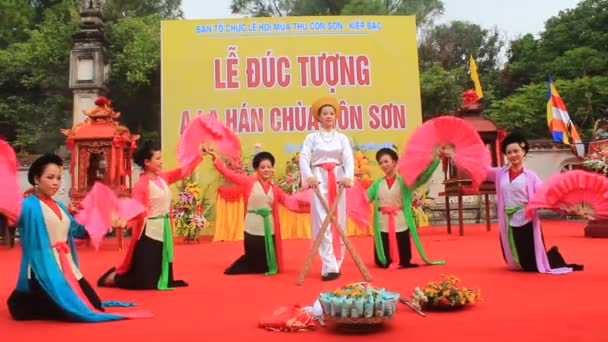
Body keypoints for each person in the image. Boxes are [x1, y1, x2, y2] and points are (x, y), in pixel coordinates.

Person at [6, 154, 148, 321]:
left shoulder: (60, 206)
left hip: (66, 264)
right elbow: (11, 214)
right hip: (42, 267)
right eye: (50, 177)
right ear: (37, 178)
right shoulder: (27, 205)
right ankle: (24, 301)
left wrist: (106, 221)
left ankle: (32, 301)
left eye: (58, 178)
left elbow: (78, 231)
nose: (55, 182)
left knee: (94, 305)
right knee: (70, 310)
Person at [98, 141, 203, 290]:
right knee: (144, 282)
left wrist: (199, 156)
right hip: (148, 233)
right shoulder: (141, 185)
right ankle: (113, 278)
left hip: (164, 229)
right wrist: (122, 218)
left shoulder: (162, 178)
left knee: (156, 277)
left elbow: (182, 172)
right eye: (158, 159)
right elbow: (136, 208)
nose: (161, 162)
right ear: (147, 162)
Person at [488, 133, 583, 273]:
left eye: (516, 151)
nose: (513, 155)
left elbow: (547, 195)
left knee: (532, 266)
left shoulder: (531, 176)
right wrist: (454, 156)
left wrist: (569, 207)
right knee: (516, 259)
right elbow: (477, 169)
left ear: (523, 152)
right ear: (505, 155)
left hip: (526, 218)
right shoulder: (500, 173)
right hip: (508, 219)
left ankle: (552, 256)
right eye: (509, 152)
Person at [205, 149, 299, 275]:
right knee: (254, 264)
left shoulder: (275, 189)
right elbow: (228, 174)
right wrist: (216, 160)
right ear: (257, 169)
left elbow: (290, 201)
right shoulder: (248, 182)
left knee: (266, 266)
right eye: (262, 167)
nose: (266, 170)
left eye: (269, 167)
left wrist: (309, 197)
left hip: (269, 227)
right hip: (253, 225)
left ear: (272, 169)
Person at [299, 96, 354, 281]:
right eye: (325, 114)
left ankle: (337, 263)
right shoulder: (311, 137)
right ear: (319, 117)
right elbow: (304, 158)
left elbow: (348, 158)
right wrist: (309, 177)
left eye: (332, 113)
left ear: (336, 116)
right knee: (322, 221)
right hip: (319, 180)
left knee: (338, 220)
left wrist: (347, 176)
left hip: (338, 179)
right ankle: (328, 266)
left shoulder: (342, 138)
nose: (329, 116)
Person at [367, 147, 446, 269]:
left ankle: (402, 258)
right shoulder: (377, 184)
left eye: (386, 161)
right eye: (381, 163)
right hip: (383, 221)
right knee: (382, 262)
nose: (383, 165)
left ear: (394, 162)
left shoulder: (405, 181)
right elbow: (365, 198)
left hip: (400, 219)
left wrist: (435, 160)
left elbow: (423, 177)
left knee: (404, 260)